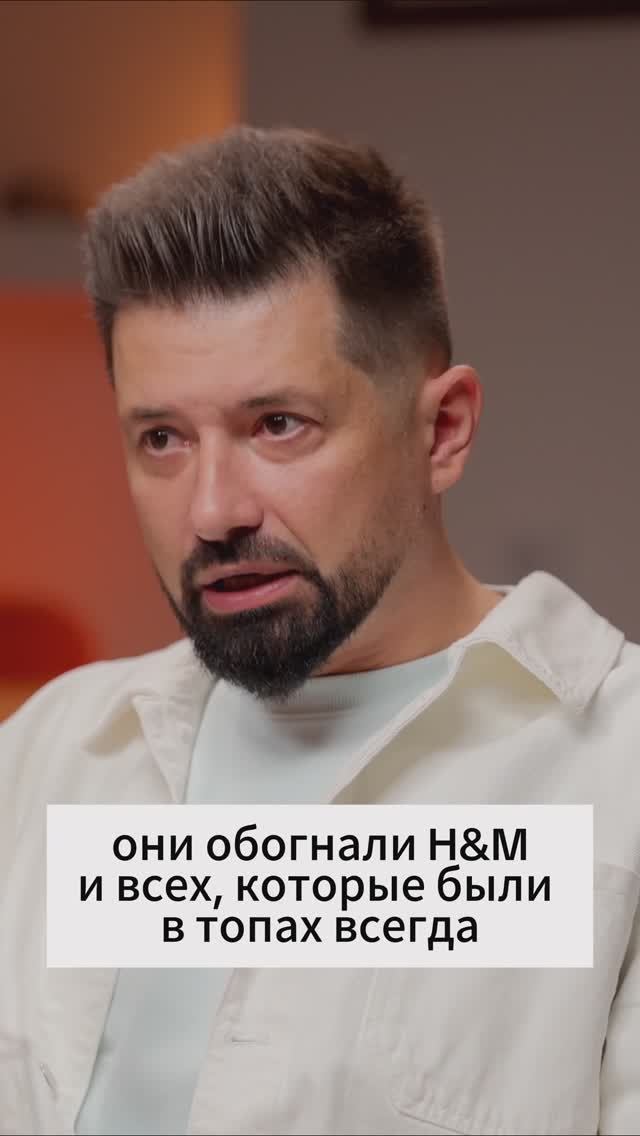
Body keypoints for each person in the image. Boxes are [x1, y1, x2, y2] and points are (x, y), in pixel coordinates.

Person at [1, 125, 638, 1136]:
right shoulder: (49, 755)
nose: (213, 510)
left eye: (278, 425)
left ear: (442, 430)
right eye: (161, 437)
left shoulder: (615, 777)